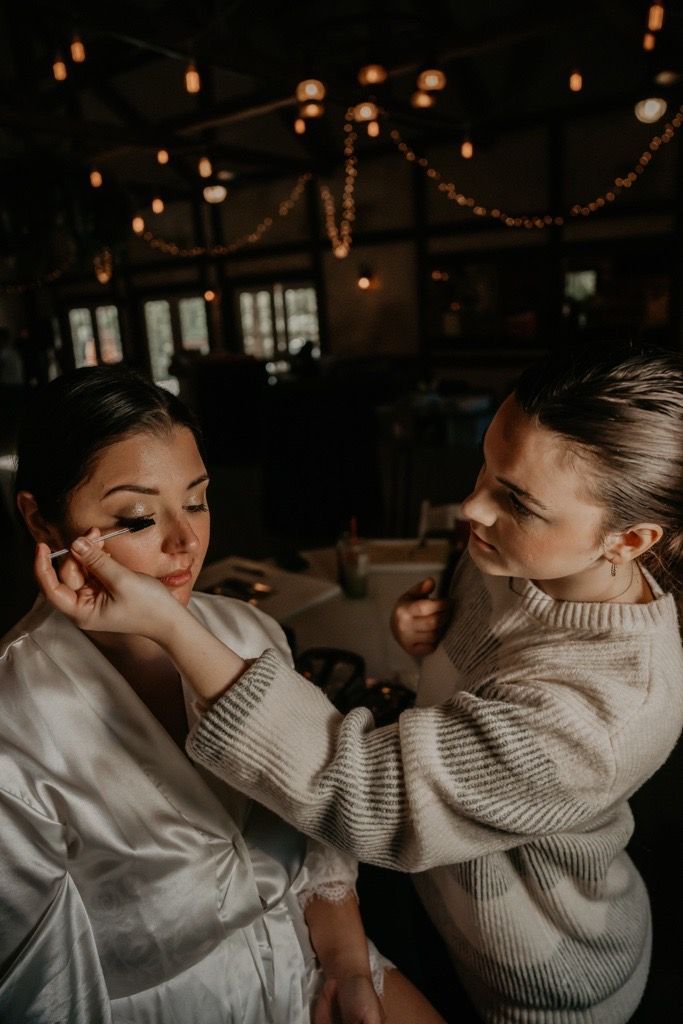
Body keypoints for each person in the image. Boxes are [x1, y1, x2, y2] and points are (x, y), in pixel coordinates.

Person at [29, 346, 683, 1024]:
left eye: (514, 499)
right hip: (432, 905)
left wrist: (175, 629)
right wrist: (421, 640)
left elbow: (370, 793)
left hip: (534, 970)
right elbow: (477, 688)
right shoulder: (515, 554)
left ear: (629, 541)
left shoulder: (609, 714)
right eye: (485, 465)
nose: (471, 507)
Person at [1, 366, 444, 1024]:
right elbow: (44, 993)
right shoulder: (15, 721)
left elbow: (317, 815)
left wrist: (347, 962)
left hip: (314, 957)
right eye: (138, 515)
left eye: (199, 499)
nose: (186, 540)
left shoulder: (250, 630)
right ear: (41, 519)